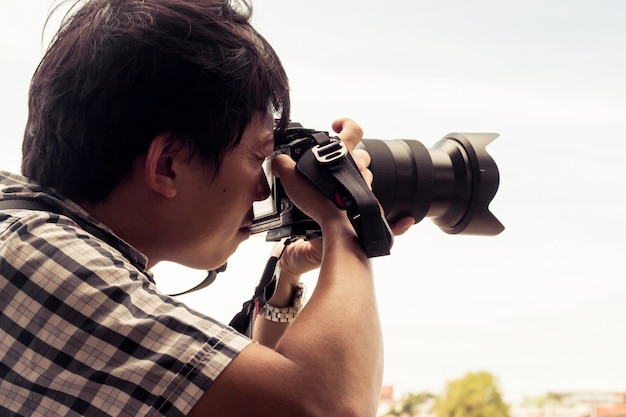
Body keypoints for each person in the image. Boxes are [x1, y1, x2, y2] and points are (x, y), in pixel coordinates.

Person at [0, 0, 413, 416]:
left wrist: (284, 274)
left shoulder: (35, 251)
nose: (262, 188)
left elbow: (239, 396)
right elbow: (328, 407)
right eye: (258, 158)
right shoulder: (30, 251)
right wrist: (346, 217)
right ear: (167, 166)